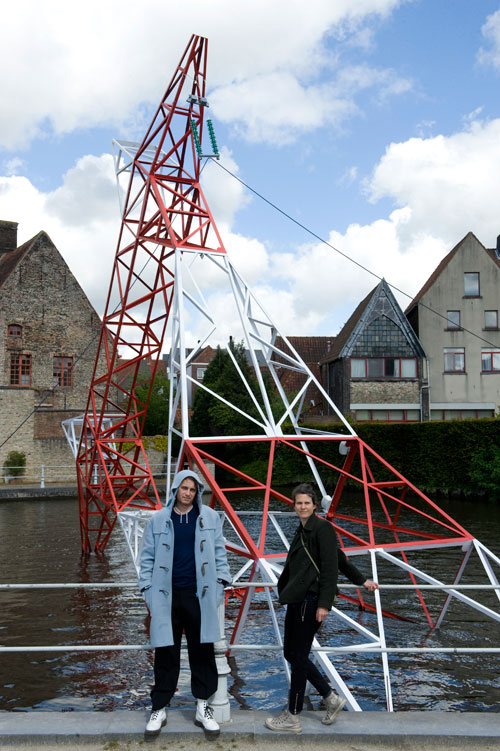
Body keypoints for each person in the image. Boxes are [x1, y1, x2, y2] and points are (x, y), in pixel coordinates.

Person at [265, 483, 379, 733]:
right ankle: (331, 698)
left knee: (298, 656)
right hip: (297, 599)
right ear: (294, 505)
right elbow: (340, 558)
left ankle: (293, 716)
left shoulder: (322, 528)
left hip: (311, 600)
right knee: (292, 654)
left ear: (315, 505)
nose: (302, 506)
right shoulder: (304, 528)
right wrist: (362, 580)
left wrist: (325, 604)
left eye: (306, 502)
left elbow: (330, 568)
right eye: (298, 503)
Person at [139, 469, 231, 741]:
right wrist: (147, 589)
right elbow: (147, 558)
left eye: (193, 489)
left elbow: (219, 554)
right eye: (184, 488)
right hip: (166, 595)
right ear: (176, 489)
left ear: (197, 492)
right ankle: (159, 707)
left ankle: (204, 707)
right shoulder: (158, 519)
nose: (188, 493)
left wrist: (221, 583)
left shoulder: (210, 517)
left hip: (199, 595)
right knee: (166, 651)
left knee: (202, 651)